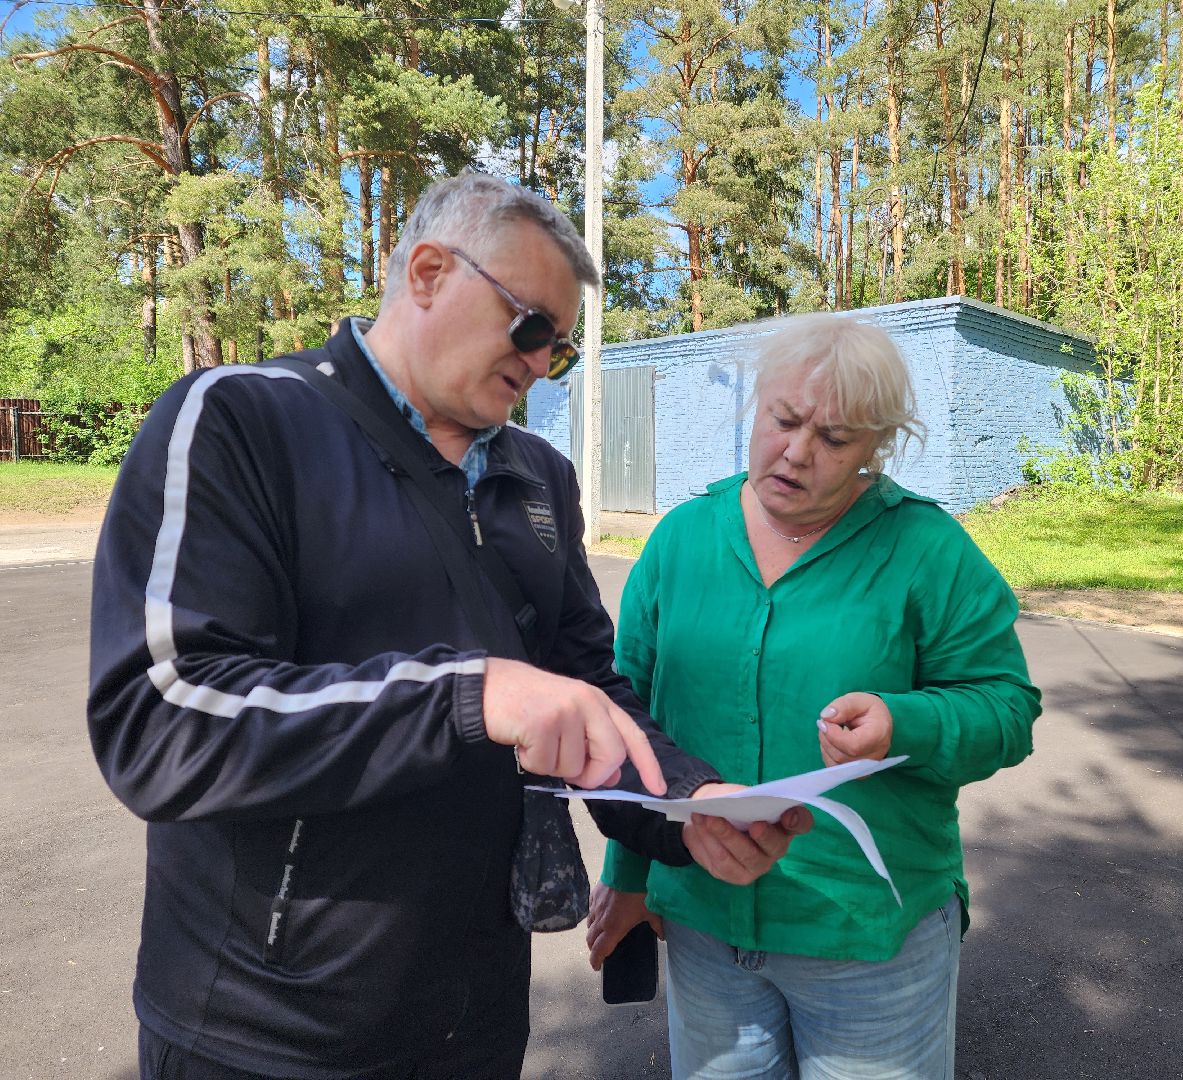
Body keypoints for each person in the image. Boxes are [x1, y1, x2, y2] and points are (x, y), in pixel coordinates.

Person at [87, 172, 809, 1080]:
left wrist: (689, 808)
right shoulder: (241, 418)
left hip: (475, 1016)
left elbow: (590, 691)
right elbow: (159, 723)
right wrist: (466, 695)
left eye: (563, 348)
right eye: (532, 326)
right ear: (428, 272)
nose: (543, 363)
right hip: (271, 1032)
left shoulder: (541, 476)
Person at [585, 313, 1042, 1080]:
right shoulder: (680, 540)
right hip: (704, 925)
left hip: (866, 934)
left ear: (878, 449)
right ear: (756, 406)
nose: (797, 452)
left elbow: (1007, 708)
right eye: (784, 420)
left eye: (835, 439)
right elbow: (631, 721)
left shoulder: (926, 551)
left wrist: (908, 720)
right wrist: (628, 877)